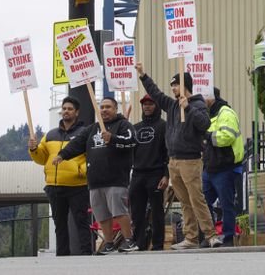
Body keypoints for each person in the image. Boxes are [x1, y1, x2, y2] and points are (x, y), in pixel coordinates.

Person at [136, 62, 222, 249]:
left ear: (186, 86)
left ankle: (211, 235)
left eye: (176, 84)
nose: (173, 88)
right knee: (184, 201)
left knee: (196, 199)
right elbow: (156, 94)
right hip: (174, 161)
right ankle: (190, 238)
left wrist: (188, 108)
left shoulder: (197, 104)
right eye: (172, 85)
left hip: (190, 160)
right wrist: (143, 76)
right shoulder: (173, 105)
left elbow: (204, 124)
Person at [54, 96, 138, 254]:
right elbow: (77, 143)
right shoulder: (92, 128)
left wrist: (112, 139)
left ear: (115, 109)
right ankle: (109, 243)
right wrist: (62, 154)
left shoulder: (123, 124)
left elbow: (132, 141)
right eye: (102, 107)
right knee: (102, 215)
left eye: (108, 107)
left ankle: (129, 240)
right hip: (95, 180)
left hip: (116, 179)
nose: (104, 110)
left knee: (119, 212)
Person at [28, 96, 93, 256]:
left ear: (77, 112)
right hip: (54, 186)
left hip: (78, 187)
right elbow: (41, 159)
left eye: (70, 109)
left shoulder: (84, 133)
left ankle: (87, 253)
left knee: (82, 222)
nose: (66, 111)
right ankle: (62, 255)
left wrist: (81, 170)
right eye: (64, 108)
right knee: (59, 224)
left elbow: (92, 156)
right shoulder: (50, 135)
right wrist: (34, 149)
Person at [202, 87, 244, 247]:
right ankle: (209, 236)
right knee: (203, 203)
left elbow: (226, 137)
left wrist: (206, 137)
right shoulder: (208, 114)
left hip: (225, 167)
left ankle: (228, 237)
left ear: (210, 97)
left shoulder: (225, 113)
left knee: (227, 205)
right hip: (210, 167)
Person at [129, 94, 169, 251]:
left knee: (157, 212)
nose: (147, 106)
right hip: (137, 174)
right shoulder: (135, 127)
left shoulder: (164, 126)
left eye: (150, 104)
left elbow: (168, 152)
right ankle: (139, 244)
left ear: (157, 106)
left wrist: (166, 175)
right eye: (144, 104)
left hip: (156, 174)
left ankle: (158, 245)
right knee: (137, 213)